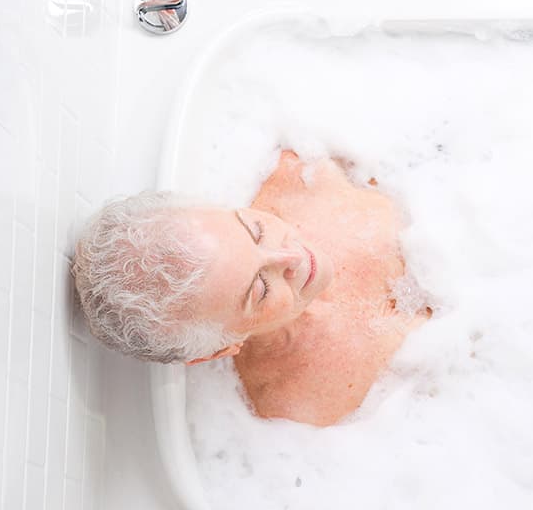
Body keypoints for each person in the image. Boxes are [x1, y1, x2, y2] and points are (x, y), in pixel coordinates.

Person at [73, 151, 427, 426]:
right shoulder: (304, 406)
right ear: (219, 350)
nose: (292, 257)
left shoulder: (302, 173)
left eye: (255, 231)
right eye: (260, 289)